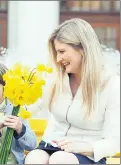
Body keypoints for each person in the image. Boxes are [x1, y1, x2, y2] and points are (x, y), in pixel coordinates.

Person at [24, 18, 120, 164]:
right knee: (34, 158)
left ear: (82, 49)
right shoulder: (55, 79)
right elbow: (31, 107)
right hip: (51, 145)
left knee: (60, 160)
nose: (58, 59)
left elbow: (114, 141)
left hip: (87, 154)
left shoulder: (111, 84)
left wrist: (84, 147)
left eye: (62, 51)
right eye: (56, 53)